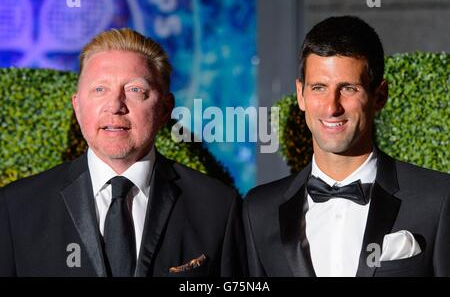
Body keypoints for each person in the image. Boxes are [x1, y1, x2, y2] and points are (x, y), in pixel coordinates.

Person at [0, 28, 247, 277]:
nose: (115, 105)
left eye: (135, 90)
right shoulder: (16, 208)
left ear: (165, 108)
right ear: (77, 106)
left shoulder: (218, 207)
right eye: (99, 89)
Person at [243, 16, 450, 277]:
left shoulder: (438, 200)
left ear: (380, 96)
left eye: (348, 88)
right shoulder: (259, 210)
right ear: (301, 95)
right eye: (319, 87)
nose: (332, 107)